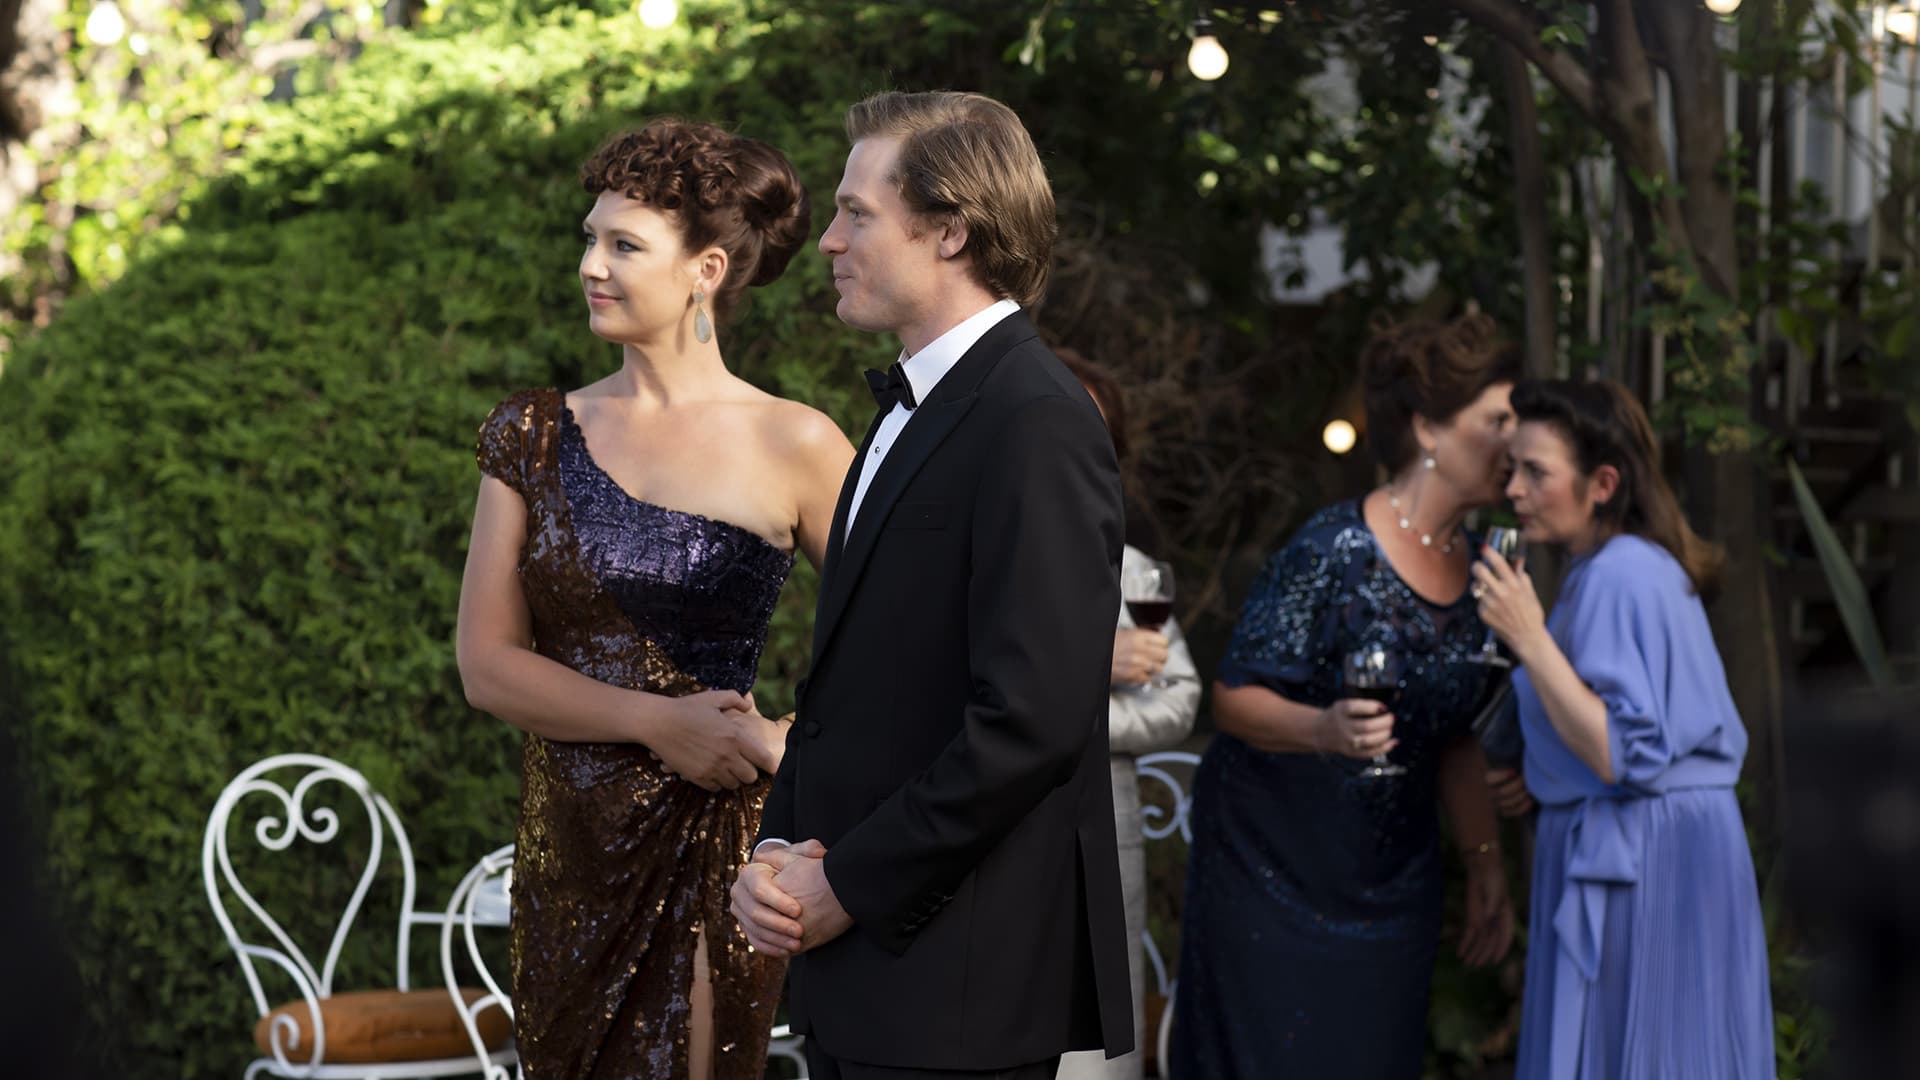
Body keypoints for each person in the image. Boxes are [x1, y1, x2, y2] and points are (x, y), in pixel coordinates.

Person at [727, 90, 1134, 1079]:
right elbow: (853, 688)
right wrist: (777, 854)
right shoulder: (918, 403)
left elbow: (1032, 722)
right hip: (871, 980)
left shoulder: (1037, 418)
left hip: (958, 990)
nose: (829, 241)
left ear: (951, 229)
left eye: (856, 213)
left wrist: (850, 885)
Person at [454, 119, 853, 1079]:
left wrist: (789, 742)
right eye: (590, 238)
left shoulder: (796, 442)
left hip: (715, 844)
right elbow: (486, 665)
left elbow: (908, 637)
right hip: (568, 857)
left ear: (706, 270)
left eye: (624, 245)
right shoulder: (530, 434)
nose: (591, 265)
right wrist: (657, 721)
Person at [1172, 314, 1518, 1078]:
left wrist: (1486, 864)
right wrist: (1324, 729)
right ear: (1428, 427)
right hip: (1273, 873)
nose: (1515, 439)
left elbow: (1455, 734)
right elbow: (1232, 698)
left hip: (1395, 884)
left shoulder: (1485, 570)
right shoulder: (1330, 549)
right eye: (1498, 420)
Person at [1473, 378, 1772, 1078]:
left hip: (1649, 855)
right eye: (1513, 469)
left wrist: (1528, 637)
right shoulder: (1602, 570)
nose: (1513, 489)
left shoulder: (1622, 574)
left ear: (1602, 484)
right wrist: (1543, 775)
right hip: (1651, 843)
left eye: (1536, 472)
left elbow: (1620, 752)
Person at [1052, 347, 1201, 1080]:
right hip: (993, 846)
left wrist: (1079, 723)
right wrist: (1092, 667)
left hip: (1107, 845)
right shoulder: (973, 551)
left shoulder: (1133, 570)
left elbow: (1180, 698)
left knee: (1100, 1054)